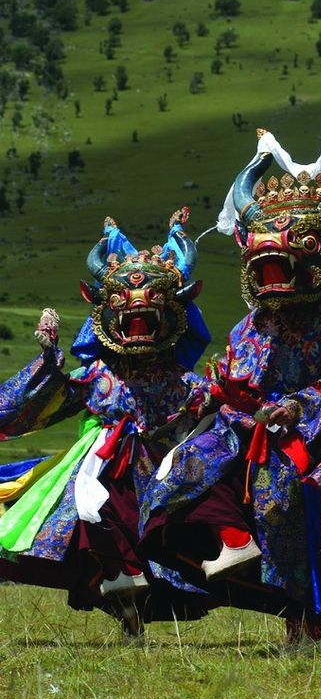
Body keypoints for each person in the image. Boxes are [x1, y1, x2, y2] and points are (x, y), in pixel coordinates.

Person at [139, 113, 321, 648]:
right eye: (263, 264)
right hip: (245, 426)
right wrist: (214, 389)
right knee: (174, 480)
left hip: (312, 436)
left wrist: (298, 407)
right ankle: (224, 554)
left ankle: (301, 620)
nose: (271, 274)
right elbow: (231, 376)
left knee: (279, 498)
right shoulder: (250, 325)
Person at [0, 212, 212, 639]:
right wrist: (49, 360)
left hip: (161, 469)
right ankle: (124, 606)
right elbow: (53, 395)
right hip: (99, 465)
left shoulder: (184, 380)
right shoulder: (98, 375)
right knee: (90, 523)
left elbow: (211, 409)